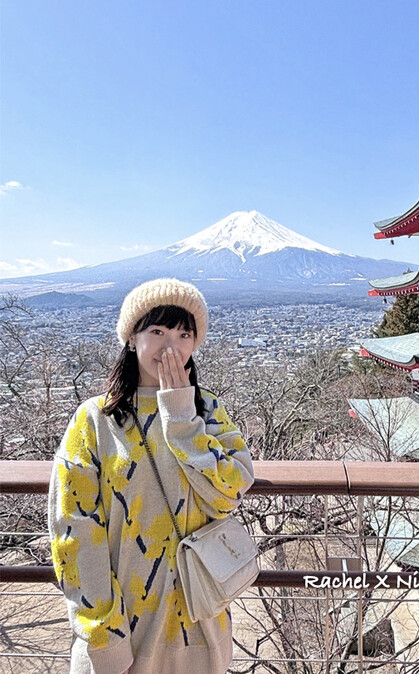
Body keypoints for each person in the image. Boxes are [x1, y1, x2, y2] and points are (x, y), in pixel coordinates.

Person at [48, 278, 254, 674]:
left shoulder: (208, 410)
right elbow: (74, 534)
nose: (170, 346)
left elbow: (228, 494)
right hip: (120, 634)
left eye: (183, 333)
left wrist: (180, 417)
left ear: (196, 344)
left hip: (199, 626)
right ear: (131, 339)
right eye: (157, 331)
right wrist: (106, 640)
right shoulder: (95, 421)